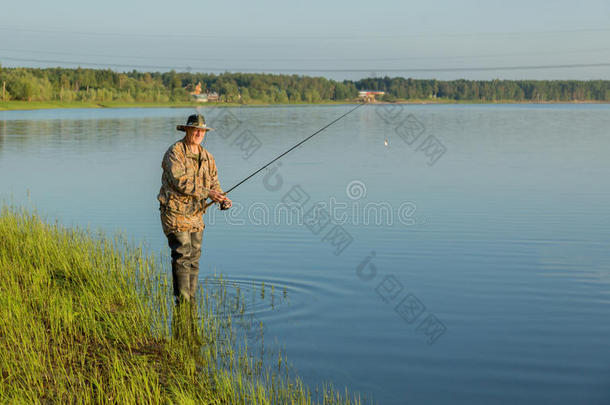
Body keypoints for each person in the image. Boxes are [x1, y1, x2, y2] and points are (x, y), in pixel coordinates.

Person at [158, 114, 232, 311]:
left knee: (194, 256)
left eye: (202, 131)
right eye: (195, 130)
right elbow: (179, 181)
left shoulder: (208, 157)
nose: (199, 133)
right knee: (182, 254)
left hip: (196, 214)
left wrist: (222, 198)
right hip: (174, 212)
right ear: (187, 130)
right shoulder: (175, 152)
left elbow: (214, 182)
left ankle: (190, 302)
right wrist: (209, 193)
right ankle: (182, 302)